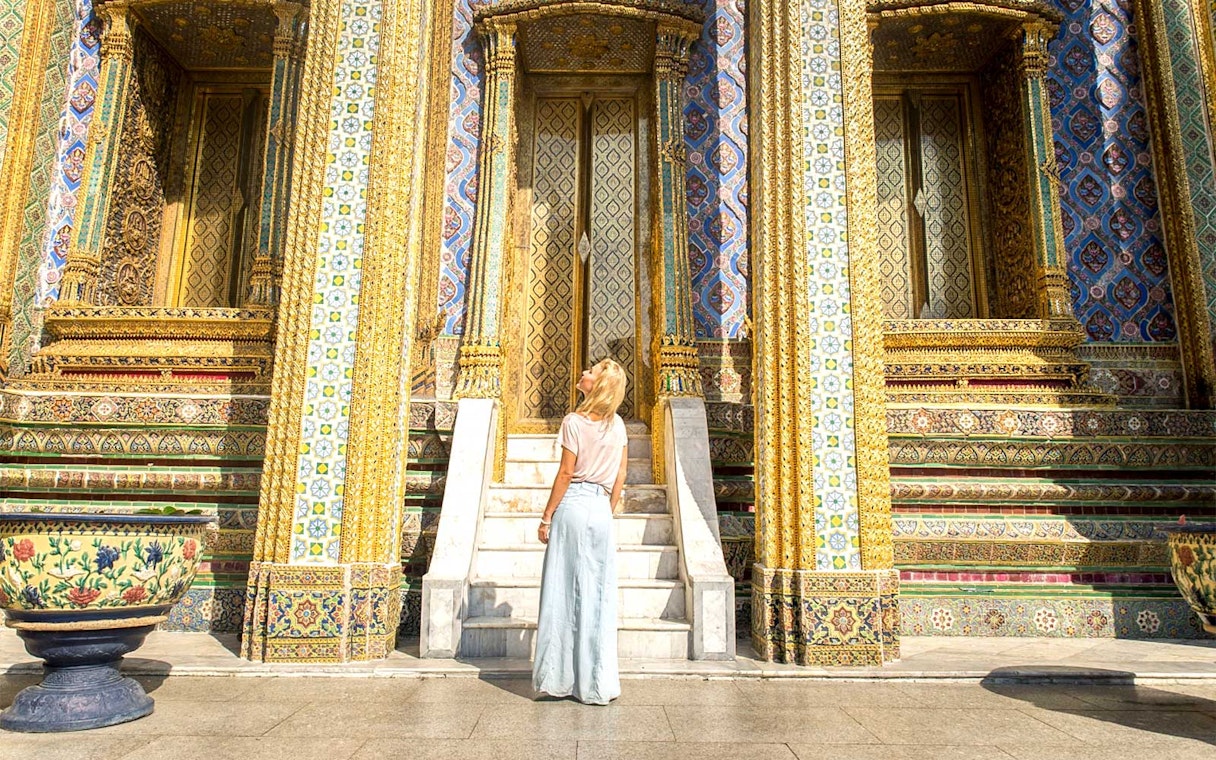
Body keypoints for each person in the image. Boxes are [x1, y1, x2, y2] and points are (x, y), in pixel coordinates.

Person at [532, 358, 629, 705]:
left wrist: (546, 516)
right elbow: (620, 478)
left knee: (562, 589)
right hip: (601, 508)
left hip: (573, 504)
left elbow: (565, 474)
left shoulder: (574, 422)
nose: (584, 373)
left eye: (591, 370)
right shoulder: (617, 426)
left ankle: (559, 679)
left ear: (597, 383)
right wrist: (606, 507)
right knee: (597, 594)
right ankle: (597, 683)